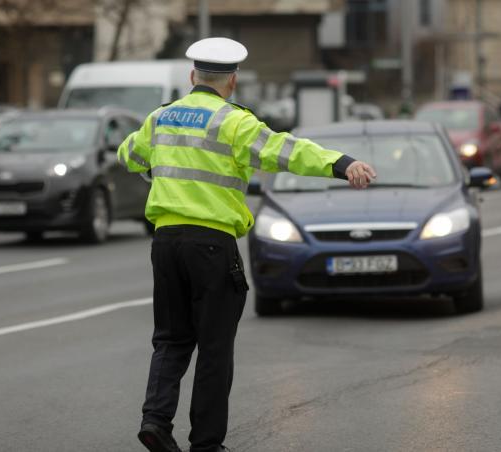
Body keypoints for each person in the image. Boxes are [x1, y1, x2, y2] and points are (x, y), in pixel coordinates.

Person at [117, 37, 377, 452]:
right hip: (211, 245)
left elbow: (129, 155)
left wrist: (158, 163)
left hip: (165, 242)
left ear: (192, 77)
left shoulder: (161, 118)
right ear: (232, 81)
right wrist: (341, 163)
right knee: (214, 348)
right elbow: (285, 151)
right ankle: (206, 444)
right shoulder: (234, 122)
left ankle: (155, 421)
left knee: (170, 338)